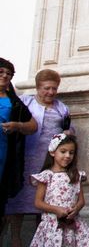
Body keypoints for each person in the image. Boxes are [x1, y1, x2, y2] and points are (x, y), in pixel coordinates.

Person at [5, 69, 74, 247]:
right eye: (46, 88)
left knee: (45, 201)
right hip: (26, 158)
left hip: (49, 162)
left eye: (54, 89)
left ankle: (42, 240)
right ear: (37, 87)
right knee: (18, 199)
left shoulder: (61, 108)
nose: (50, 92)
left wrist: (68, 134)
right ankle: (15, 238)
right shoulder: (25, 102)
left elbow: (69, 131)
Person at [30, 133, 89, 246]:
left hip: (73, 224)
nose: (67, 156)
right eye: (63, 151)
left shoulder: (75, 175)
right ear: (52, 152)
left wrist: (76, 210)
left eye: (71, 152)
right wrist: (56, 209)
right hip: (52, 226)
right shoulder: (46, 176)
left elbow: (81, 200)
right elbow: (38, 202)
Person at [0, 58, 37, 220]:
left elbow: (33, 125)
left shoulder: (14, 101)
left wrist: (17, 126)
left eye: (9, 73)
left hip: (3, 156)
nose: (5, 76)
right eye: (1, 72)